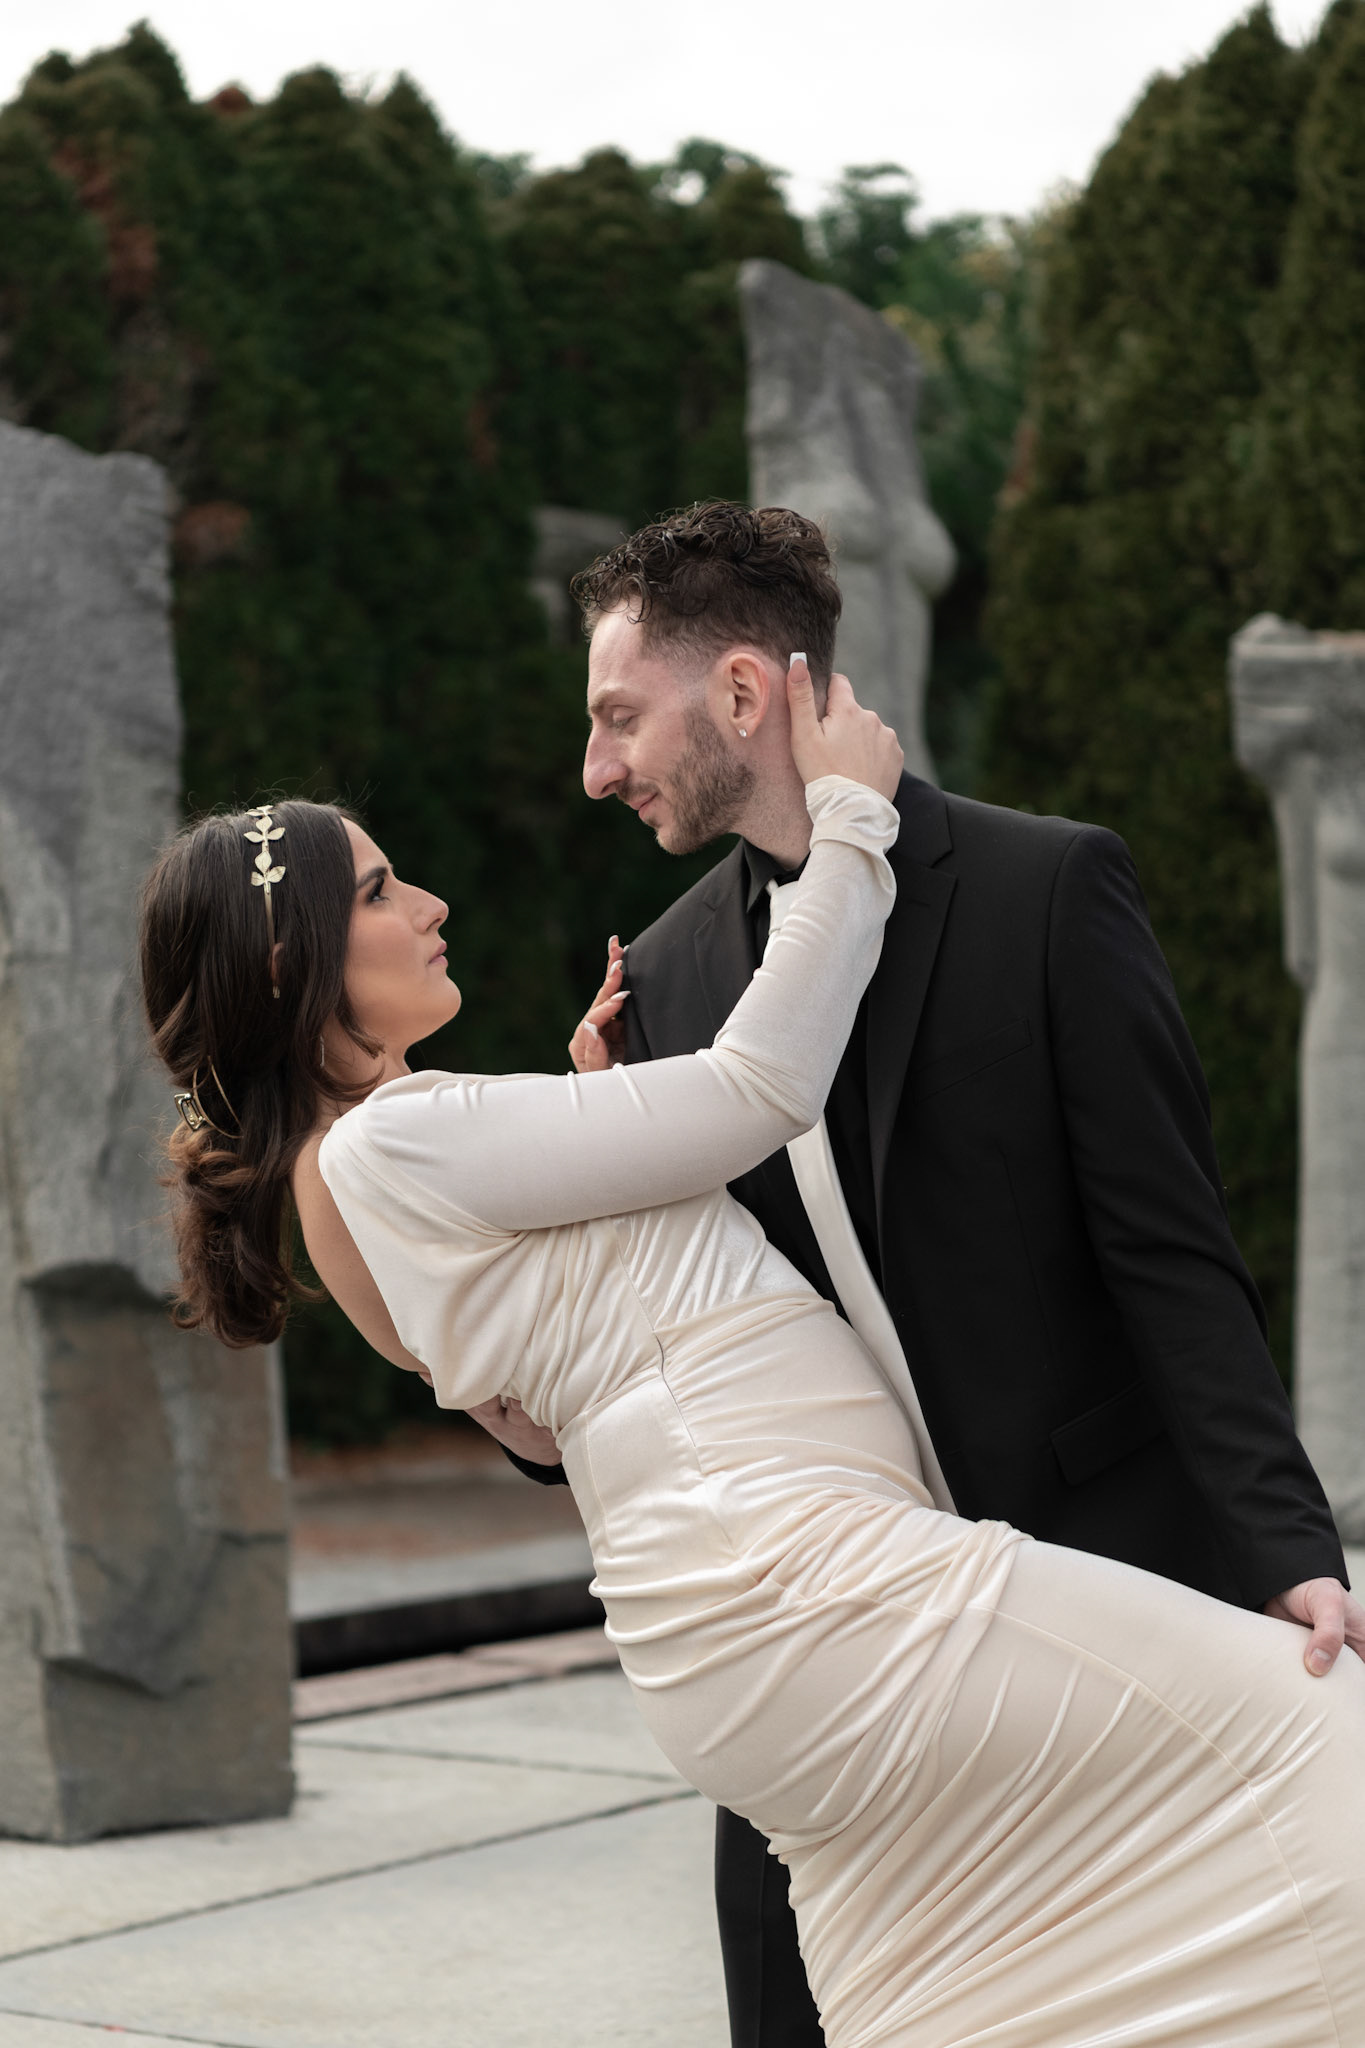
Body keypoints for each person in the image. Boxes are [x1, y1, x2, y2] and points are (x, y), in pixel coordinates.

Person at [139, 685, 1365, 2047]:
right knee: (1314, 1740)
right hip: (804, 1583)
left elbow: (543, 1424)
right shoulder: (393, 1144)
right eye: (378, 891)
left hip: (732, 1636)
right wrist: (851, 825)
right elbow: (757, 1090)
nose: (427, 903)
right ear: (287, 965)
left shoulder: (347, 1180)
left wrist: (594, 1120)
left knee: (946, 1994)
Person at [487, 499, 1363, 2048]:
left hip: (1101, 1597)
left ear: (742, 693)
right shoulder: (669, 976)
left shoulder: (1049, 890)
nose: (596, 769)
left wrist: (1287, 1545)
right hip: (833, 1652)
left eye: (618, 716)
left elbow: (1172, 1258)